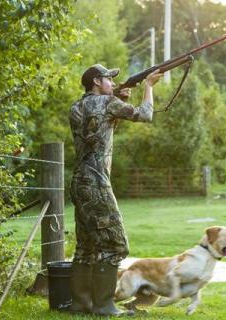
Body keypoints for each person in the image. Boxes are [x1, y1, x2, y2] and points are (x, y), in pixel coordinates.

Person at [68, 64, 163, 316]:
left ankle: (81, 303)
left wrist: (117, 101)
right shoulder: (107, 103)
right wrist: (148, 87)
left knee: (86, 245)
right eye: (109, 79)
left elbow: (99, 133)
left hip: (79, 181)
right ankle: (104, 306)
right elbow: (145, 115)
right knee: (116, 245)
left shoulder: (77, 107)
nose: (112, 83)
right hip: (96, 182)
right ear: (97, 81)